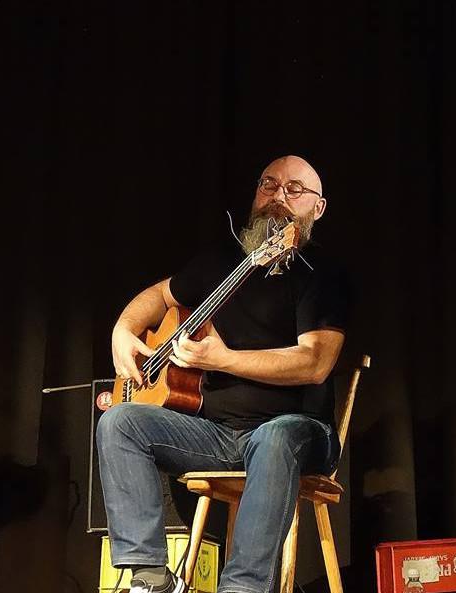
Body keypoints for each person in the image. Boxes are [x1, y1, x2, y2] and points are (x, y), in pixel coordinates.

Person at [97, 155, 348, 593]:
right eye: (269, 185)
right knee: (120, 422)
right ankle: (151, 577)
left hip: (299, 433)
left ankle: (242, 588)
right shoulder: (220, 263)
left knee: (275, 436)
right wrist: (124, 330)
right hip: (217, 435)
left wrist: (223, 359)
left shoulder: (323, 276)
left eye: (294, 189)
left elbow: (315, 363)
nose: (278, 196)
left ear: (318, 208)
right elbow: (160, 295)